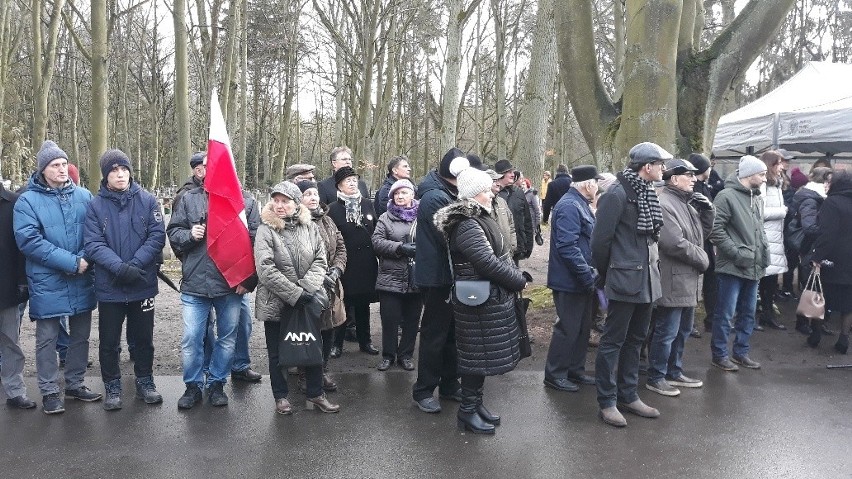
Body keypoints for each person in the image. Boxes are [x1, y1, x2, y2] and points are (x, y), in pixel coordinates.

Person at [434, 159, 528, 434]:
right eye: (487, 190)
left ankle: (475, 405)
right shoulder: (466, 224)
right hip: (477, 299)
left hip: (488, 297)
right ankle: (467, 411)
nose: (493, 192)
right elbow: (486, 262)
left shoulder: (480, 217)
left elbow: (500, 254)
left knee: (481, 357)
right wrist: (517, 279)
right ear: (474, 194)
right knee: (475, 357)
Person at [14, 140, 102, 414]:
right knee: (47, 338)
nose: (62, 169)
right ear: (43, 170)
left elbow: (96, 232)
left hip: (82, 275)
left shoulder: (85, 196)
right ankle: (50, 391)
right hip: (47, 280)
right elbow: (29, 241)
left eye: (64, 164)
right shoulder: (28, 200)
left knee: (80, 336)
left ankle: (75, 383)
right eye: (55, 165)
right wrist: (71, 262)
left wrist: (83, 260)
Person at [167, 160, 260, 409]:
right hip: (195, 285)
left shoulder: (246, 202)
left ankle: (217, 383)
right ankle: (193, 386)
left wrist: (249, 279)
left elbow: (256, 242)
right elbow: (173, 231)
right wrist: (189, 235)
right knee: (191, 338)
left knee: (227, 337)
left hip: (230, 285)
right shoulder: (189, 199)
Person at [591, 141, 668, 428]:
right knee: (613, 342)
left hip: (647, 281)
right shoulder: (617, 194)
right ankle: (607, 401)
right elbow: (600, 243)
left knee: (636, 340)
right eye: (660, 164)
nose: (664, 169)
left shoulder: (646, 192)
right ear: (647, 166)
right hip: (624, 280)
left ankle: (628, 394)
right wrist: (609, 273)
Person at [84, 149, 166, 410]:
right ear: (106, 175)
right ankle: (112, 385)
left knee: (143, 338)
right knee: (109, 340)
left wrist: (135, 265)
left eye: (123, 169)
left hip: (142, 282)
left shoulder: (148, 200)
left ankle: (145, 381)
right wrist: (120, 268)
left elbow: (156, 237)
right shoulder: (95, 206)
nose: (120, 174)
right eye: (114, 170)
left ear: (130, 171)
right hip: (111, 286)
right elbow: (94, 244)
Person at [254, 181, 339, 414]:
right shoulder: (265, 229)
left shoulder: (309, 226)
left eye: (285, 201)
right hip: (276, 302)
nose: (279, 205)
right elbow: (266, 269)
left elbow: (321, 260)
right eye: (276, 200)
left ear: (295, 203)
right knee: (277, 352)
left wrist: (306, 289)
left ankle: (316, 394)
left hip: (308, 299)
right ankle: (281, 396)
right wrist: (294, 293)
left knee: (312, 346)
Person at [645, 159, 712, 397]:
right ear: (674, 179)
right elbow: (674, 243)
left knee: (682, 331)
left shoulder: (687, 203)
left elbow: (700, 236)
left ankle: (674, 371)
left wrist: (708, 212)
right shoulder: (665, 203)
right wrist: (703, 259)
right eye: (689, 175)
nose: (694, 179)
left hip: (688, 279)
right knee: (666, 333)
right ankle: (656, 376)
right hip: (673, 279)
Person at [411, 148, 465, 413]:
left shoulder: (447, 193)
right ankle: (423, 390)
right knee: (435, 335)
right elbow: (452, 236)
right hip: (437, 277)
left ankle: (449, 383)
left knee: (452, 334)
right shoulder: (435, 197)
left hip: (448, 275)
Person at [544, 165, 602, 393]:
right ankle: (555, 374)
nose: (597, 187)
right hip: (570, 280)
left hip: (581, 279)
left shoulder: (580, 204)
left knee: (582, 328)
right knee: (568, 328)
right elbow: (568, 247)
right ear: (588, 184)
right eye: (596, 182)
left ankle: (575, 370)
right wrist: (587, 276)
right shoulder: (569, 206)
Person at [709, 155, 769, 372]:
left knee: (748, 312)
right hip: (733, 267)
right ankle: (720, 354)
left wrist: (763, 256)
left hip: (754, 266)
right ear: (749, 174)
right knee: (725, 313)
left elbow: (759, 231)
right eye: (761, 174)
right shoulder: (725, 197)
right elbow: (715, 230)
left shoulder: (757, 198)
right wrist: (735, 254)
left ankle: (741, 352)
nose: (764, 178)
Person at [298, 180, 347, 391]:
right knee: (308, 333)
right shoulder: (296, 223)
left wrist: (337, 269)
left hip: (332, 287)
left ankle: (322, 371)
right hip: (309, 287)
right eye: (307, 194)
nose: (313, 197)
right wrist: (318, 276)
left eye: (315, 193)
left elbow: (341, 248)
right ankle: (304, 374)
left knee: (329, 330)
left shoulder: (328, 221)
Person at [327, 166, 379, 355]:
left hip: (366, 262)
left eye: (354, 180)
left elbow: (375, 227)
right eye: (347, 181)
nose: (352, 183)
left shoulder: (367, 204)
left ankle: (366, 341)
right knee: (343, 302)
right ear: (339, 186)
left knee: (364, 304)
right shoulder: (333, 209)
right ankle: (336, 343)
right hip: (345, 263)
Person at [372, 179, 422, 371]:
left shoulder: (421, 217)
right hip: (390, 277)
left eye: (404, 193)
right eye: (396, 194)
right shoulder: (385, 217)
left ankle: (406, 355)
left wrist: (419, 249)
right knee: (390, 319)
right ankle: (388, 355)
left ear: (412, 195)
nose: (400, 197)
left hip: (415, 277)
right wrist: (400, 248)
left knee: (412, 320)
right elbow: (376, 242)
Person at [1, 181, 35, 409]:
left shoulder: (14, 204)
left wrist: (23, 282)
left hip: (7, 288)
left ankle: (14, 390)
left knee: (10, 341)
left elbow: (22, 248)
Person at [812, 169, 852, 354]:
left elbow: (826, 233)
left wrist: (817, 257)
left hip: (832, 259)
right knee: (848, 301)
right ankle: (844, 339)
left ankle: (815, 334)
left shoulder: (831, 202)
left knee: (820, 295)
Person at [790, 167, 831, 339]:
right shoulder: (811, 199)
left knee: (815, 286)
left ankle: (815, 324)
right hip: (810, 248)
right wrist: (828, 229)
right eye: (829, 181)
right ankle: (803, 323)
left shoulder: (812, 196)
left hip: (811, 247)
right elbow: (809, 227)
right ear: (823, 181)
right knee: (812, 287)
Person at [756, 150, 788, 331]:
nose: (782, 167)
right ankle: (758, 316)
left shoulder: (776, 184)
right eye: (778, 163)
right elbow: (760, 212)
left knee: (771, 282)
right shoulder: (764, 185)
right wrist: (782, 211)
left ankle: (768, 315)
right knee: (762, 281)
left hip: (775, 238)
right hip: (767, 238)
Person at [689, 153, 718, 336]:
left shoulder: (704, 188)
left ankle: (710, 319)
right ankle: (691, 321)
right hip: (697, 242)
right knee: (695, 282)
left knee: (710, 282)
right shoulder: (695, 191)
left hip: (706, 242)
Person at [494, 160, 534, 262]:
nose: (513, 174)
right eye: (509, 172)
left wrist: (529, 245)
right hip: (498, 250)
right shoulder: (493, 193)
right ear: (501, 174)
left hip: (517, 247)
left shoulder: (519, 192)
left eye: (513, 171)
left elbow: (527, 220)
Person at [486, 168, 517, 256]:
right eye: (494, 181)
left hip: (507, 254)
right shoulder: (481, 204)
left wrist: (512, 245)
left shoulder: (502, 202)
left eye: (498, 180)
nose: (498, 183)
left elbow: (511, 224)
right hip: (491, 257)